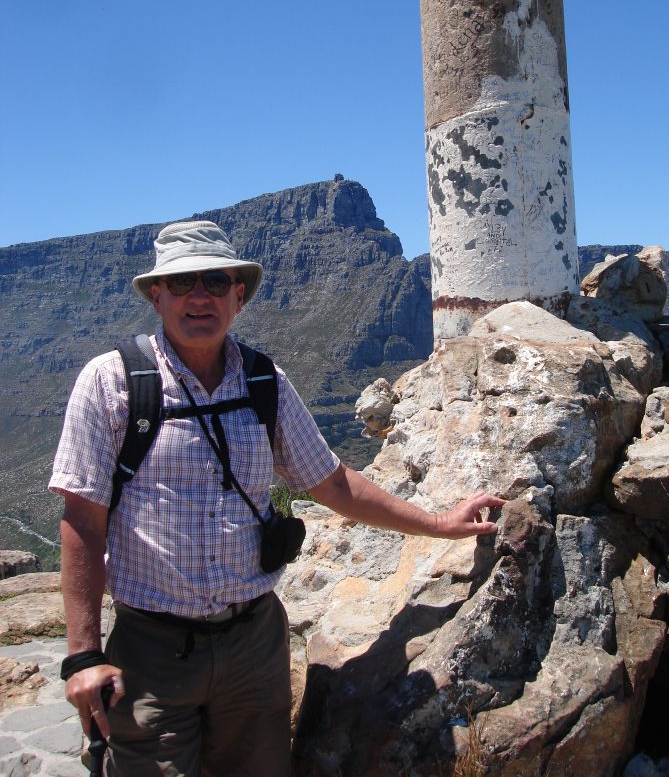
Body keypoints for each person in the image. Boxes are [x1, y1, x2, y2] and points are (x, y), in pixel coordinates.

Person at [49, 219, 504, 777]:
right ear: (157, 295)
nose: (200, 296)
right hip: (152, 655)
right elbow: (83, 521)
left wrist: (439, 523)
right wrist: (84, 655)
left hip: (255, 647)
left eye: (215, 282)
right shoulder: (112, 382)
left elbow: (333, 484)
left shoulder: (264, 381)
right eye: (183, 282)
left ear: (238, 297)